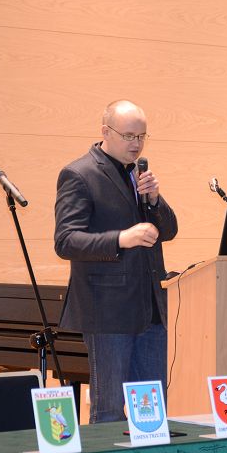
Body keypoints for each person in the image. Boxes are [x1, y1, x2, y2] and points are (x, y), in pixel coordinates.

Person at [54, 100, 178, 423]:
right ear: (105, 132)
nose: (136, 144)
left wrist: (154, 200)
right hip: (107, 314)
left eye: (142, 136)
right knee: (109, 411)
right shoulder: (79, 174)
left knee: (152, 414)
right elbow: (66, 241)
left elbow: (169, 231)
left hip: (151, 311)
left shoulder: (138, 175)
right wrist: (121, 238)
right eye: (129, 136)